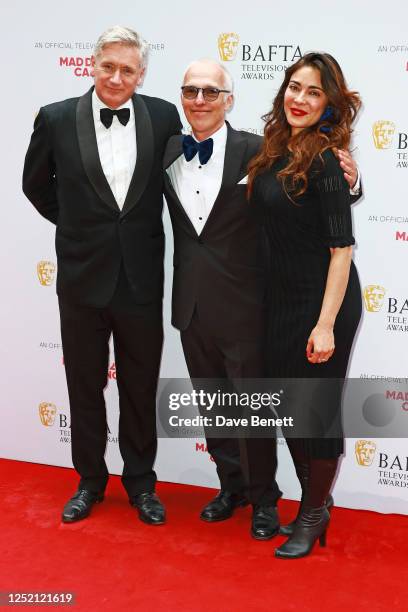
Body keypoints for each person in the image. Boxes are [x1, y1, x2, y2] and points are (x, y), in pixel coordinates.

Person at [163, 59, 359, 539]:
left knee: (279, 407)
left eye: (212, 92)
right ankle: (234, 488)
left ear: (230, 100)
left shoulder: (257, 148)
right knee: (221, 406)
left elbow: (331, 216)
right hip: (206, 301)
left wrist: (352, 183)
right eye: (192, 91)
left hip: (261, 301)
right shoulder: (175, 150)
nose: (201, 100)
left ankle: (273, 503)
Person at [23, 26, 182, 525]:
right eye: (108, 66)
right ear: (91, 64)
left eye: (128, 70)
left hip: (140, 279)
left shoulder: (162, 115)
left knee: (139, 385)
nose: (116, 78)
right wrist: (79, 228)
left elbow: (188, 179)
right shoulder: (54, 118)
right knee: (84, 385)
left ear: (142, 74)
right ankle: (90, 480)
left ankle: (141, 484)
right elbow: (35, 186)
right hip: (81, 278)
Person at [248, 52, 362, 557]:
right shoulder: (275, 150)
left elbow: (342, 250)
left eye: (314, 92)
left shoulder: (325, 160)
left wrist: (326, 325)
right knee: (289, 408)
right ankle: (316, 502)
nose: (300, 99)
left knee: (313, 413)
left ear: (329, 105)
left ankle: (312, 513)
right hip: (279, 301)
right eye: (295, 87)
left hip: (322, 303)